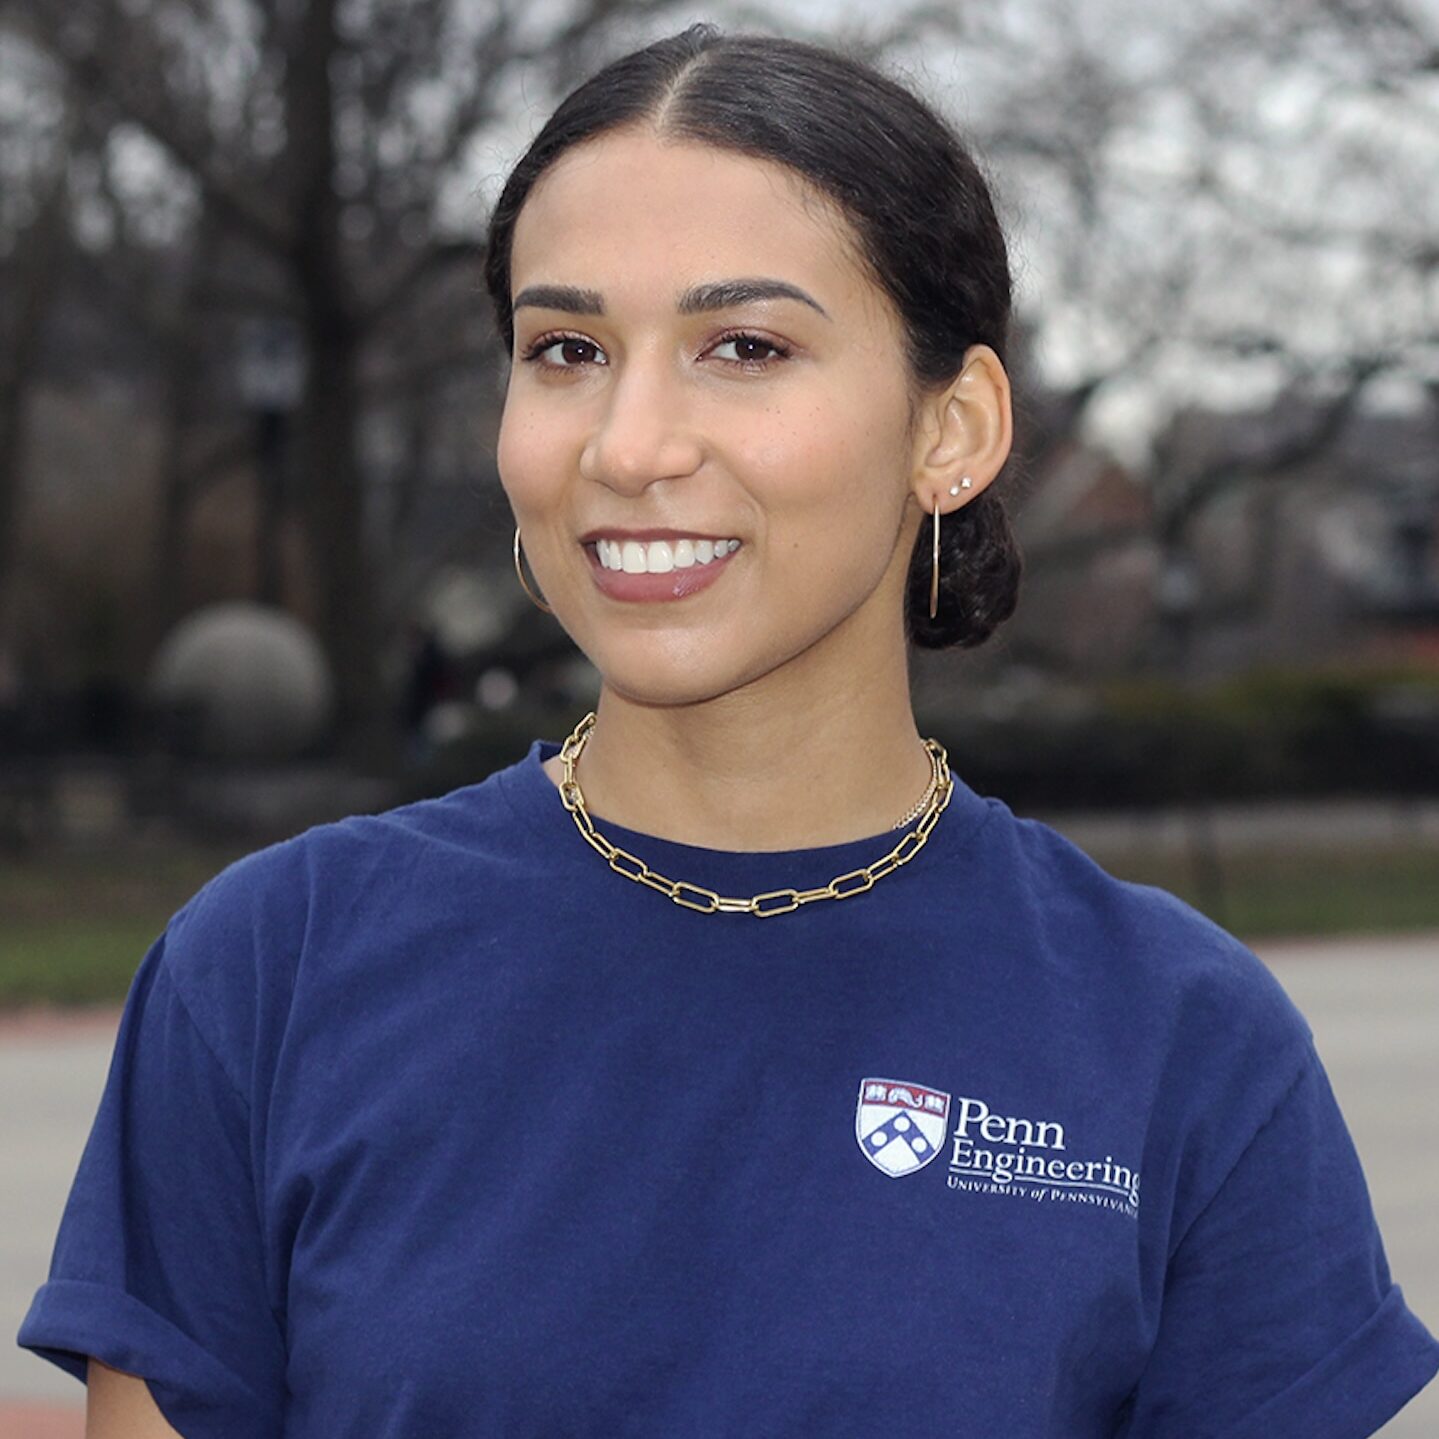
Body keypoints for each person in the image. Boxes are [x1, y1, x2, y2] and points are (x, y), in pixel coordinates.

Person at [16, 23, 1439, 1438]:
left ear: (953, 429)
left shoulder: (1183, 1040)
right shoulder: (269, 971)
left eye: (743, 347)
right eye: (565, 348)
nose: (628, 446)